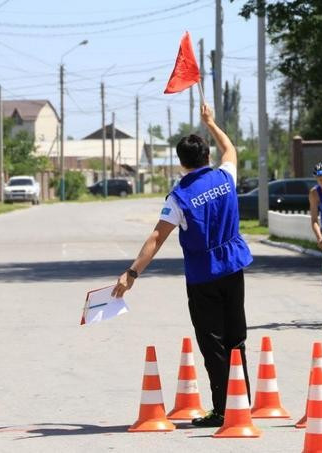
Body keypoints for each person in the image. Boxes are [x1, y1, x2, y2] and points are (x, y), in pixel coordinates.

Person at [111, 103, 253, 428]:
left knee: (213, 342)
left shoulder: (180, 197)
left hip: (203, 275)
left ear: (181, 162)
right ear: (206, 157)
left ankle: (223, 410)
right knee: (237, 338)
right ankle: (240, 402)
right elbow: (230, 148)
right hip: (233, 266)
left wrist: (132, 273)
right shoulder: (225, 176)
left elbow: (156, 238)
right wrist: (212, 123)